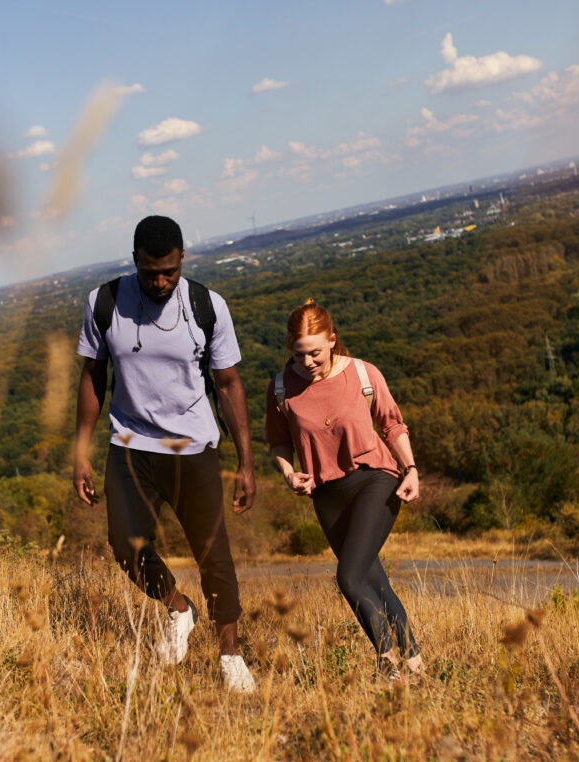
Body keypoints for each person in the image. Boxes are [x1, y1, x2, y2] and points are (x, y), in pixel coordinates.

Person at [73, 215, 257, 693]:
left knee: (213, 554)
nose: (159, 282)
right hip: (129, 444)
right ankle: (179, 607)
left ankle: (230, 655)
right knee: (124, 543)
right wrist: (81, 451)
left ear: (182, 260)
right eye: (150, 272)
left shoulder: (206, 306)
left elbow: (229, 384)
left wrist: (246, 463)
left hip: (191, 447)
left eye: (170, 272)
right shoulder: (104, 302)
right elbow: (92, 376)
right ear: (135, 260)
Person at [265, 299, 425, 685]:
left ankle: (387, 663)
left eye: (315, 353)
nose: (308, 362)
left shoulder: (363, 373)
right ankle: (415, 664)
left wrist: (411, 469)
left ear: (332, 341)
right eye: (299, 354)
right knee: (373, 580)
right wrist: (288, 473)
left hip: (375, 480)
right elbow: (278, 442)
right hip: (327, 495)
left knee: (349, 577)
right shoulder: (281, 388)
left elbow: (392, 424)